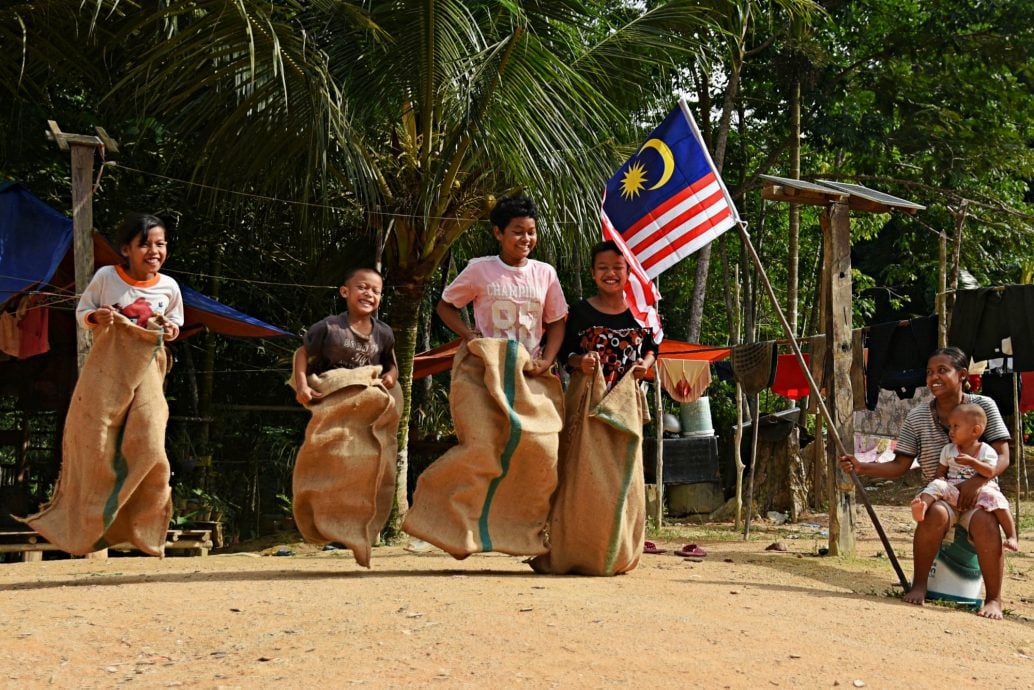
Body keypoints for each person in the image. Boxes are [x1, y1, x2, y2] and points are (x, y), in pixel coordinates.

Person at [840, 346, 1012, 619]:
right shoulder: (917, 416)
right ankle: (919, 585)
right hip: (940, 493)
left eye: (943, 370)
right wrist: (862, 466)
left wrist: (977, 482)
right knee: (932, 514)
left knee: (987, 524)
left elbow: (1003, 456)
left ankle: (993, 599)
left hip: (980, 494)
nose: (934, 377)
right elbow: (900, 465)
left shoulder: (983, 407)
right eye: (930, 372)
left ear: (962, 375)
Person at [435, 194, 567, 376]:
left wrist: (546, 361)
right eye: (518, 232)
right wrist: (469, 335)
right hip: (487, 370)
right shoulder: (479, 269)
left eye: (531, 232)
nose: (526, 238)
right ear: (498, 233)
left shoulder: (546, 273)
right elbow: (445, 307)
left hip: (530, 371)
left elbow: (557, 322)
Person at [911, 402, 1018, 552]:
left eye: (956, 426)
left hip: (980, 492)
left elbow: (989, 472)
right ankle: (922, 507)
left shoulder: (986, 451)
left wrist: (972, 462)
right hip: (954, 491)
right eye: (950, 426)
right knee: (936, 485)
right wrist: (941, 480)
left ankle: (1011, 536)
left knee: (997, 499)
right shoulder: (948, 450)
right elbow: (941, 471)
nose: (951, 431)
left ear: (975, 430)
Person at [292, 267, 398, 404]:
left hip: (366, 400)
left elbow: (391, 364)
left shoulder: (385, 333)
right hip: (330, 398)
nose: (369, 294)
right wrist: (302, 386)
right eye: (362, 287)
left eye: (376, 291)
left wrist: (392, 375)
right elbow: (302, 353)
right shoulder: (329, 327)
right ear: (344, 291)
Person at [561, 240, 657, 389]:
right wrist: (580, 361)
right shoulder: (579, 312)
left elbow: (652, 348)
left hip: (629, 401)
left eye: (618, 267)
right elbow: (565, 353)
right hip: (586, 403)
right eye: (602, 267)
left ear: (629, 272)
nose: (610, 273)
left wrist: (645, 364)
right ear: (593, 273)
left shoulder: (642, 313)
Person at [76, 212, 183, 341]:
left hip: (149, 361)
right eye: (144, 244)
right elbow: (82, 312)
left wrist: (170, 330)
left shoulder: (169, 286)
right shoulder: (107, 276)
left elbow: (174, 322)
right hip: (107, 360)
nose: (154, 251)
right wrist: (95, 317)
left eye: (160, 244)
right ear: (126, 250)